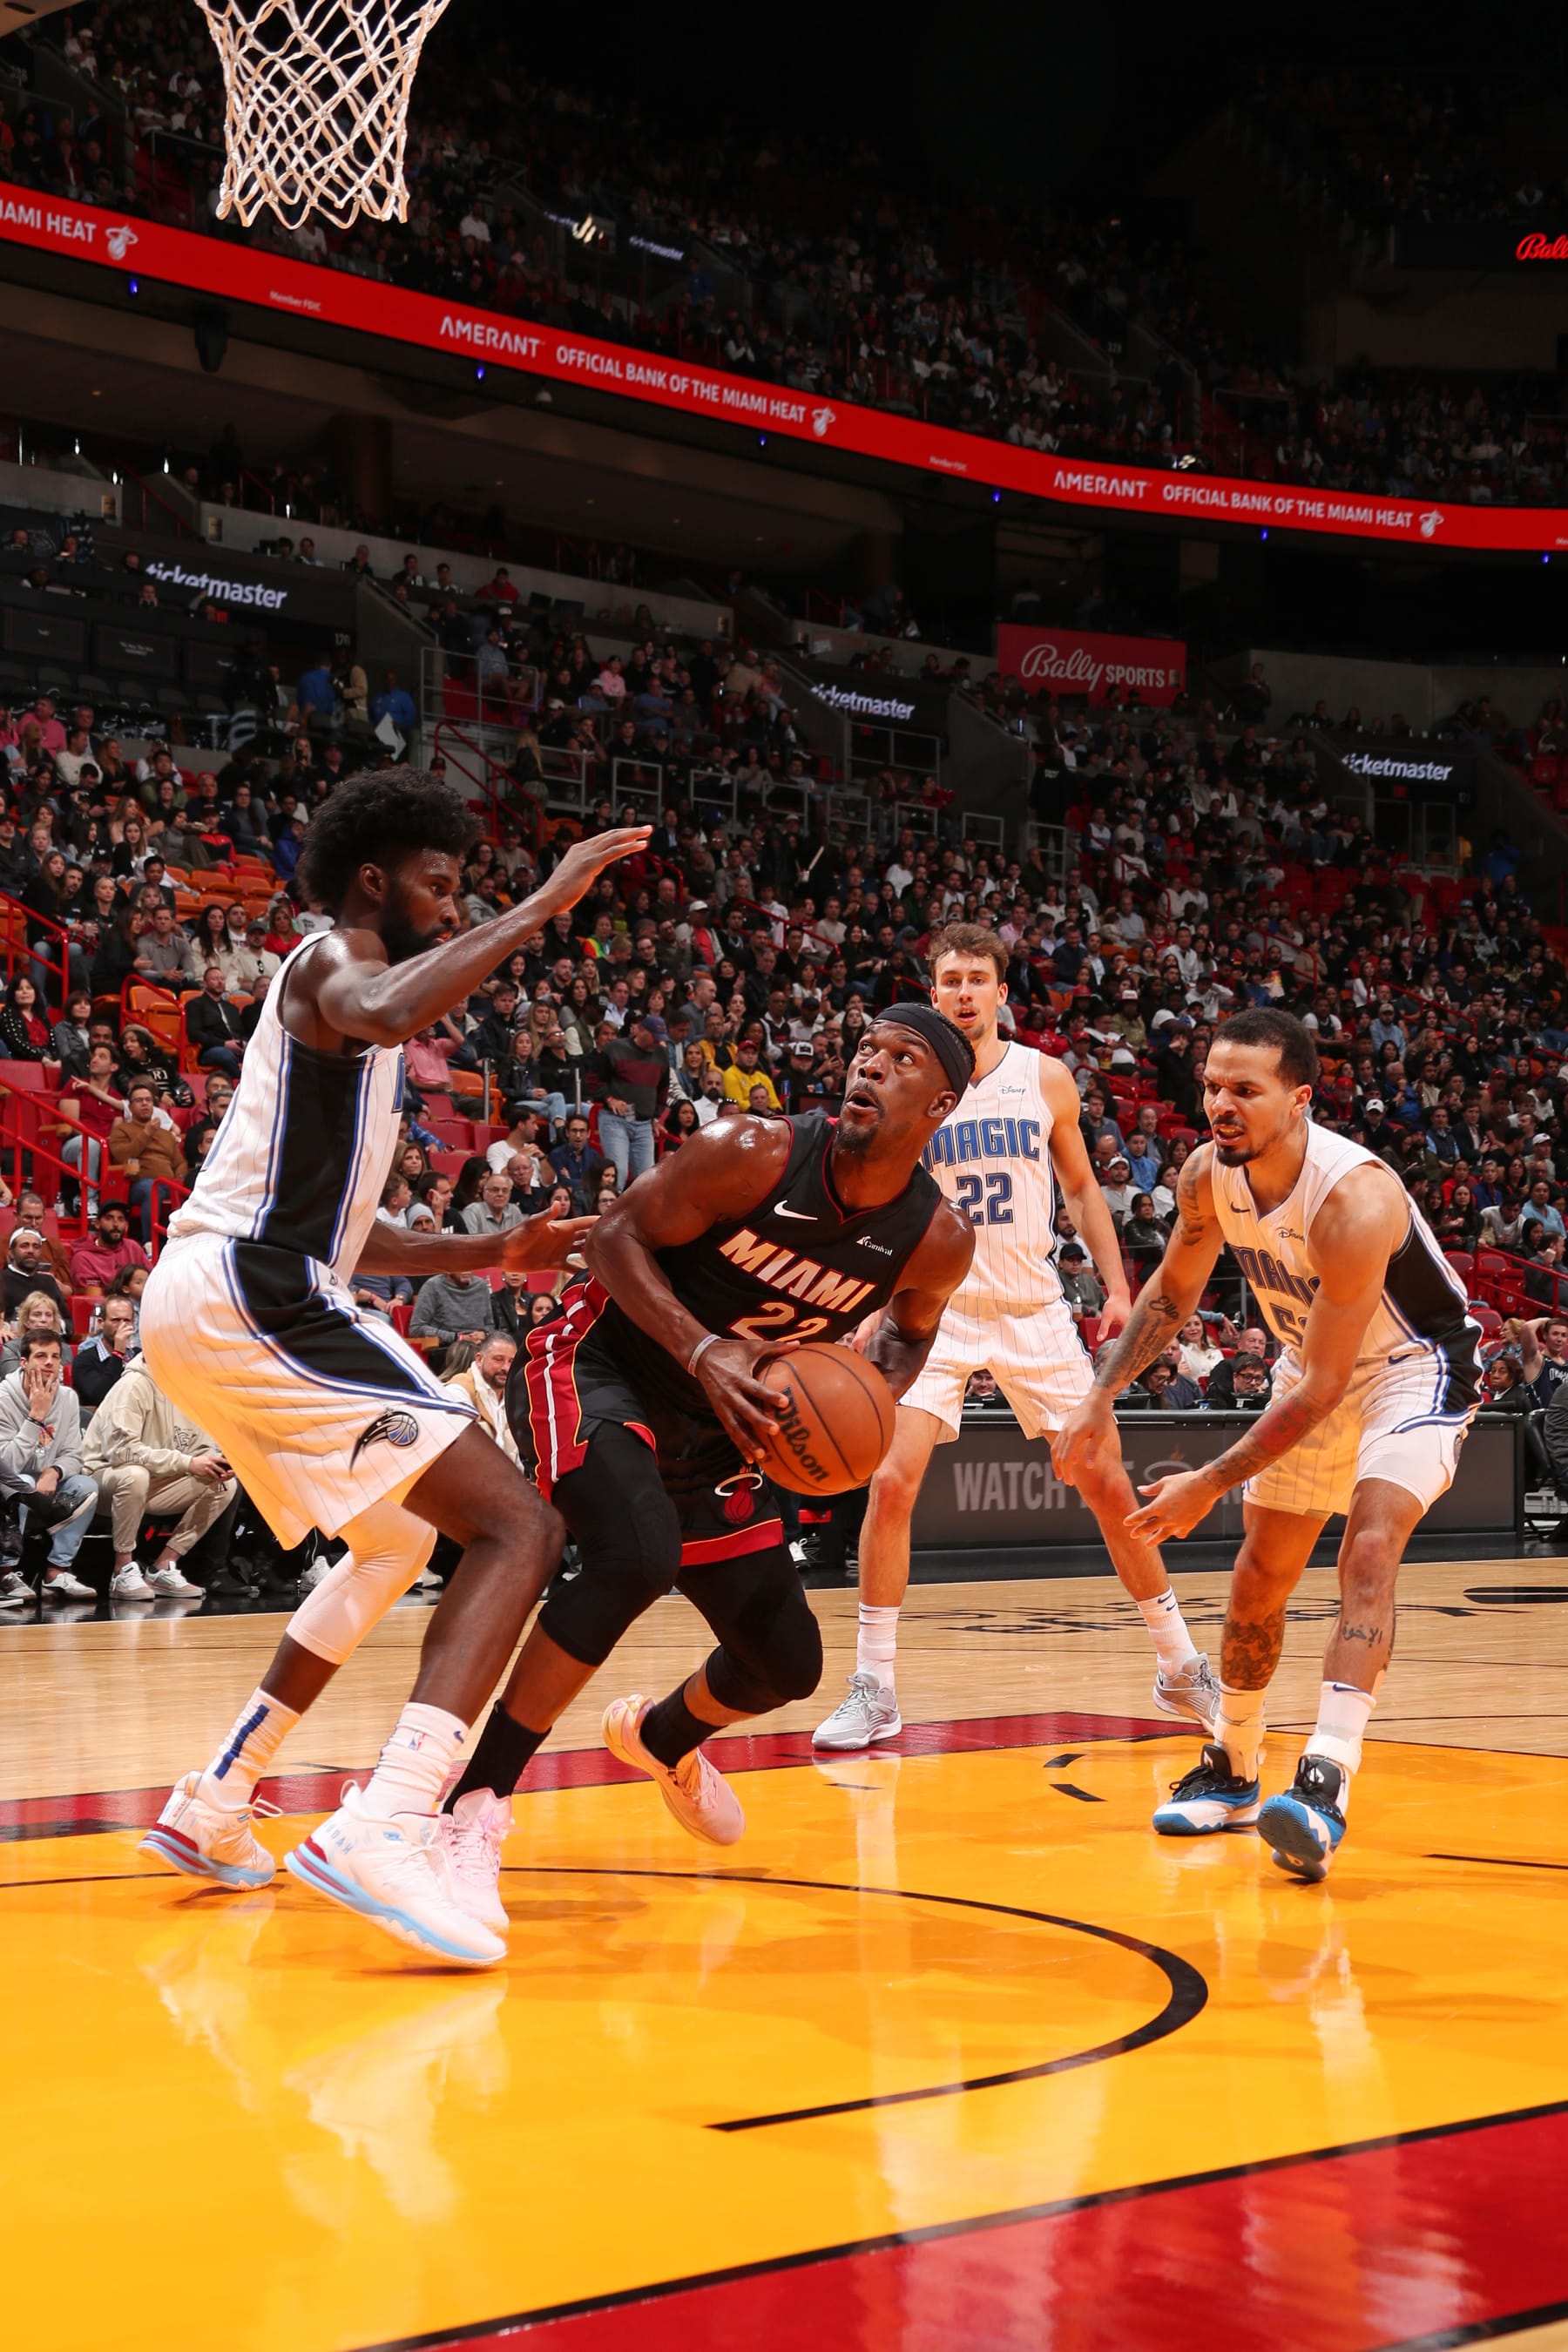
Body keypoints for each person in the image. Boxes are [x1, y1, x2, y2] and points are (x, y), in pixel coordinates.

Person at [137, 768, 646, 1969]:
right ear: (377, 879)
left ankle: (221, 1794)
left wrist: (492, 1248)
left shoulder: (353, 1033)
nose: (451, 899)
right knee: (518, 1529)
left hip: (236, 1293)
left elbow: (352, 1232)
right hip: (251, 1294)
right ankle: (391, 1817)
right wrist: (538, 907)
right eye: (439, 883)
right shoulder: (330, 965)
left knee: (401, 1539)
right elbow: (388, 1008)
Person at [432, 1004, 977, 1926]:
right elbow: (611, 1241)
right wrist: (700, 1350)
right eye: (866, 1051)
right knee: (634, 1557)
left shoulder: (936, 1238)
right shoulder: (755, 1150)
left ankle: (661, 1737)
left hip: (724, 1425)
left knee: (786, 1661)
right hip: (605, 1364)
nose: (870, 1066)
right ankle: (469, 1810)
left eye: (901, 1059)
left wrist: (860, 1427)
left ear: (941, 1103)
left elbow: (907, 1339)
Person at [1053, 1007, 1482, 1883]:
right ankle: (1236, 1768)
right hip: (1311, 1364)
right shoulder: (1209, 1174)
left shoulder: (1354, 1199)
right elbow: (1173, 1291)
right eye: (1212, 1085)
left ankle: (1324, 1781)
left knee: (1367, 1549)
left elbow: (1328, 1389)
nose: (1220, 1103)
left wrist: (1207, 1480)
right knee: (1258, 1576)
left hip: (1413, 1370)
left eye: (1244, 1090)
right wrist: (1100, 1395)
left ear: (1298, 1100)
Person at [814, 925, 1217, 1754]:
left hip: (1032, 1305)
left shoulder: (1046, 1076)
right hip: (933, 1306)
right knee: (891, 1484)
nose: (963, 991)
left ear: (1002, 992)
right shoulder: (905, 1083)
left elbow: (1079, 1184)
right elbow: (870, 1194)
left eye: (977, 979)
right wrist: (864, 1298)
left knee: (1105, 1483)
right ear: (934, 993)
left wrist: (1113, 1286)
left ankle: (1177, 1663)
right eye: (949, 979)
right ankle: (875, 1686)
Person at [81, 1355, 236, 1600]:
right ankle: (122, 1570)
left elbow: (201, 1448)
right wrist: (187, 1463)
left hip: (157, 1480)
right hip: (104, 1478)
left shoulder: (191, 1390)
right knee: (135, 1475)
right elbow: (122, 1452)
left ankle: (162, 1567)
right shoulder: (135, 1383)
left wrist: (216, 1462)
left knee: (223, 1484)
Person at [0, 1331, 99, 1605]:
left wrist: (54, 1471)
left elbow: (73, 1454)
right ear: (23, 1362)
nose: (49, 1363)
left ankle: (57, 1572)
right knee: (16, 1481)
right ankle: (5, 1573)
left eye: (55, 1356)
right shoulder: (3, 1398)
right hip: (13, 1481)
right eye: (41, 1356)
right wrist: (36, 1416)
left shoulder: (67, 1397)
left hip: (48, 1481)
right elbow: (5, 1466)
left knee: (86, 1487)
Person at [443, 1331, 521, 1463]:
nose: (506, 1368)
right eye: (498, 1359)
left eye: (511, 1361)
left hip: (505, 1478)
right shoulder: (459, 1391)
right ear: (479, 1359)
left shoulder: (513, 1395)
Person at [72, 1293, 139, 1412]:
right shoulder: (84, 1360)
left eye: (127, 1320)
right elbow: (100, 1396)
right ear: (101, 1323)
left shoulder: (140, 1357)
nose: (122, 1326)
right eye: (116, 1320)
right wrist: (118, 1353)